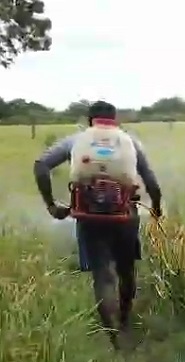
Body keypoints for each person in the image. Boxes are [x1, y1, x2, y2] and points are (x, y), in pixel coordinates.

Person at [33, 101, 163, 349]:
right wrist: (156, 208)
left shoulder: (77, 140)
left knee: (102, 277)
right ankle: (124, 321)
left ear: (89, 120)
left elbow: (41, 165)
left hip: (88, 216)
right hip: (124, 215)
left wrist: (51, 205)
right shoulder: (130, 142)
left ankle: (113, 339)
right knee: (126, 271)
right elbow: (151, 182)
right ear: (115, 120)